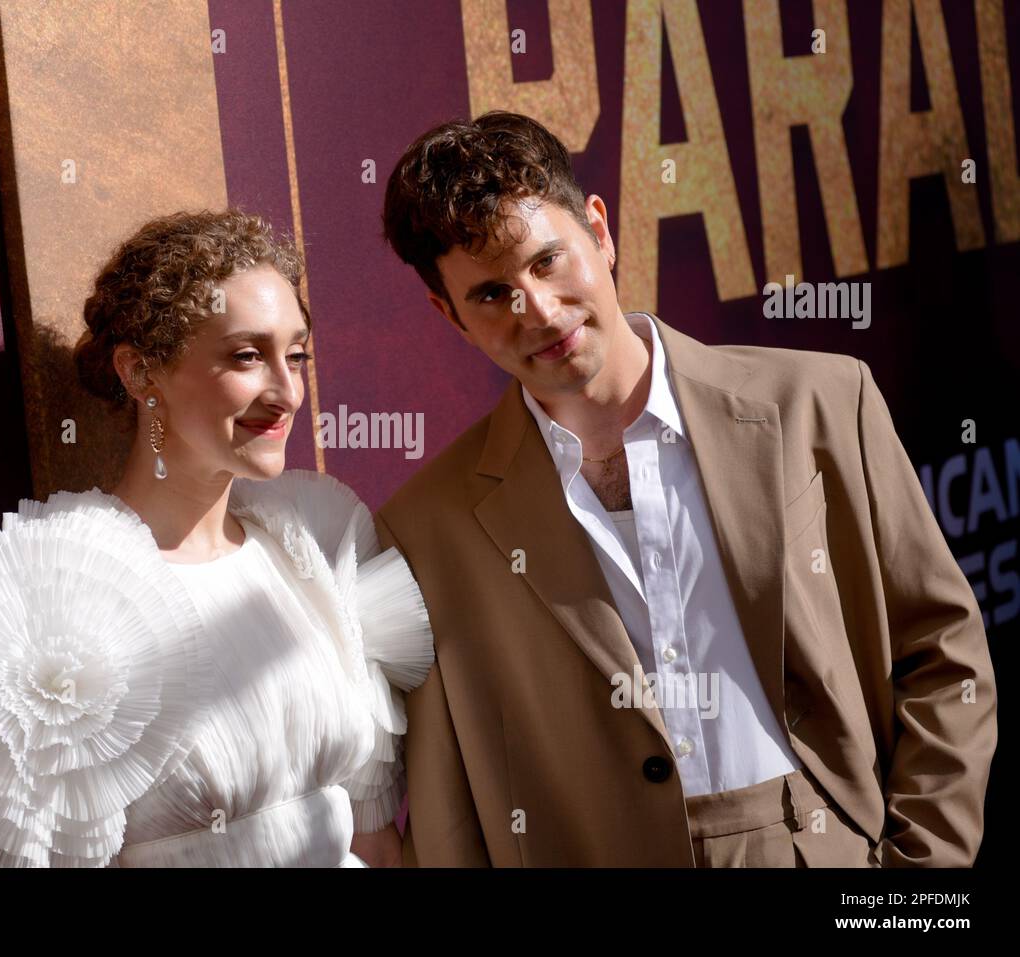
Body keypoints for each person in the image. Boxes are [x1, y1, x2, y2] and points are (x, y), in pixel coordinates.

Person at [376, 111, 997, 867]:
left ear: (599, 231)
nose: (536, 311)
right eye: (492, 295)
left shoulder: (820, 402)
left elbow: (942, 648)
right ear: (449, 315)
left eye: (547, 262)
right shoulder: (427, 527)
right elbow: (448, 810)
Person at [0, 208, 433, 867]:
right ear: (140, 374)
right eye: (247, 356)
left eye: (297, 354)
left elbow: (372, 836)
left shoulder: (317, 541)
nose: (286, 390)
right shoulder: (46, 610)